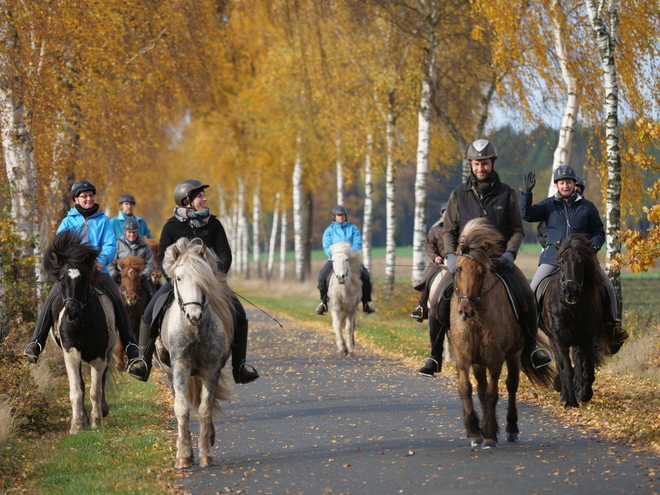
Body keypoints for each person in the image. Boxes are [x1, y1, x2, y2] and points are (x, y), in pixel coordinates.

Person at [419, 139, 552, 377]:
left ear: (493, 163)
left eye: (485, 163)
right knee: (438, 298)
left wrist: (510, 254)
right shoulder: (458, 194)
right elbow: (449, 230)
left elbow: (517, 230)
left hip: (498, 262)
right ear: (471, 164)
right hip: (465, 263)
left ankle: (532, 349)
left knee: (527, 294)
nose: (481, 168)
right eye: (477, 163)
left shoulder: (507, 194)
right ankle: (435, 355)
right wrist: (450, 256)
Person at [130, 179, 260, 384]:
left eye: (203, 195)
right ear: (186, 200)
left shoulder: (214, 224)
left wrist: (219, 275)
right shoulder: (171, 227)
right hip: (180, 282)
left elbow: (225, 252)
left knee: (240, 315)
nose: (205, 198)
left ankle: (240, 366)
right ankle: (142, 361)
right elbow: (163, 257)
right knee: (149, 313)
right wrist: (174, 277)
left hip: (211, 283)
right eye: (200, 196)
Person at [23, 180, 143, 378]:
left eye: (90, 195)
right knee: (53, 297)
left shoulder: (103, 220)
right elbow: (59, 246)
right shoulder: (68, 221)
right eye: (84, 196)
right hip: (74, 272)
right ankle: (36, 342)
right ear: (76, 199)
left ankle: (131, 347)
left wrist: (100, 260)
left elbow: (110, 245)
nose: (88, 199)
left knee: (116, 298)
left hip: (97, 271)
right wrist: (69, 263)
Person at [520, 166, 628, 349]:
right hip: (553, 258)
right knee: (532, 289)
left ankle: (612, 327)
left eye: (569, 182)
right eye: (562, 183)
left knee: (607, 285)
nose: (565, 186)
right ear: (556, 185)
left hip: (582, 259)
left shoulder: (587, 207)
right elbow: (527, 214)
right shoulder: (548, 205)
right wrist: (526, 193)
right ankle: (526, 333)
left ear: (574, 184)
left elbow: (598, 232)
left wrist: (593, 245)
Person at [315, 205, 375, 316]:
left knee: (366, 276)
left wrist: (348, 254)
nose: (341, 217)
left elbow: (357, 244)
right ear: (334, 217)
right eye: (339, 215)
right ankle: (323, 303)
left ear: (345, 216)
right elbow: (326, 246)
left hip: (351, 260)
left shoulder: (353, 228)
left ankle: (366, 303)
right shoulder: (329, 231)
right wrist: (335, 255)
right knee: (322, 276)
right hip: (335, 259)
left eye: (343, 215)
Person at [410, 202, 448, 322]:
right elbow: (429, 245)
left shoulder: (461, 229)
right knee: (427, 281)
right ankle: (420, 308)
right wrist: (435, 257)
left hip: (457, 262)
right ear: (442, 214)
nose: (449, 214)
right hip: (439, 262)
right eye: (446, 212)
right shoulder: (435, 230)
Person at [108, 218, 155, 302]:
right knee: (109, 296)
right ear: (125, 231)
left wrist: (144, 275)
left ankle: (150, 314)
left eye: (134, 232)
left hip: (139, 278)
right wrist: (115, 274)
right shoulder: (117, 245)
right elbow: (111, 262)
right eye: (129, 232)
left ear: (137, 232)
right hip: (121, 278)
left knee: (151, 295)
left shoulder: (145, 246)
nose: (132, 234)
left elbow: (150, 264)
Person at [536, 176, 585, 248]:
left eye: (577, 190)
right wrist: (552, 246)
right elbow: (542, 231)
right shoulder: (554, 210)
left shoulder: (587, 209)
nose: (573, 192)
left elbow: (596, 231)